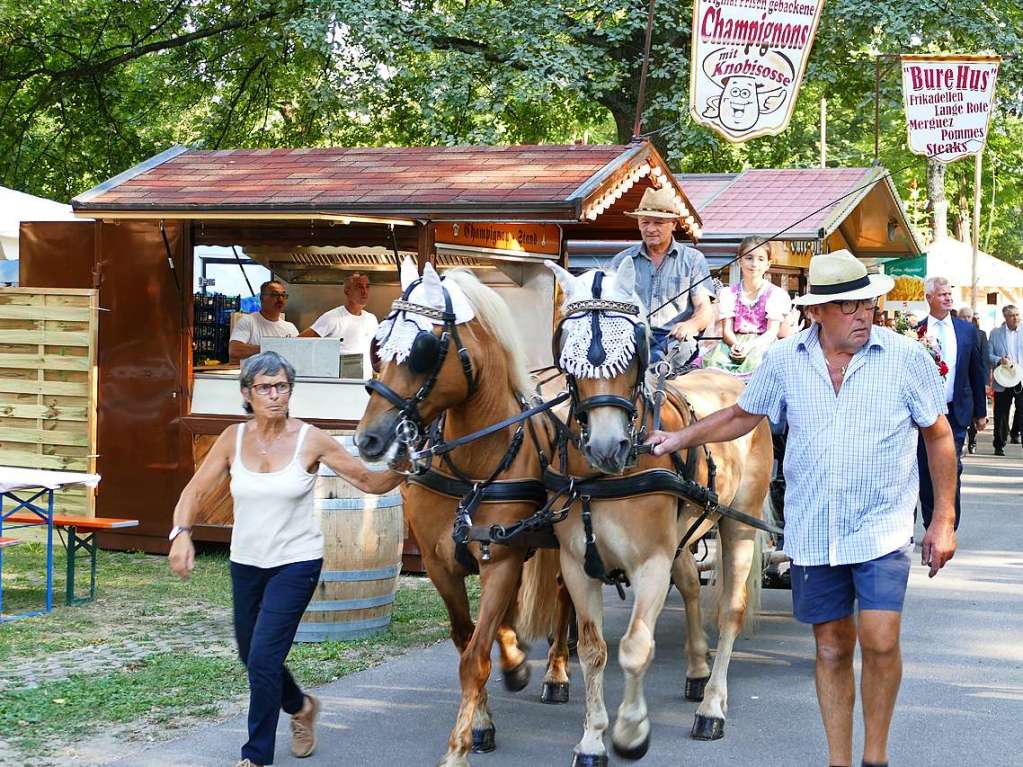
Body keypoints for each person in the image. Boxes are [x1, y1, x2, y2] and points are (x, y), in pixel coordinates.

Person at [646, 249, 957, 767]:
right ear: (817, 312)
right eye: (849, 306)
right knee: (832, 647)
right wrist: (678, 436)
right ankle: (839, 760)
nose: (864, 314)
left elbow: (939, 436)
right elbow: (742, 415)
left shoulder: (906, 359)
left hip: (880, 527)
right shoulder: (787, 359)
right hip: (815, 531)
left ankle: (874, 757)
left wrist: (942, 518)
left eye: (867, 303)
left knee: (879, 640)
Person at [168, 351, 404, 767]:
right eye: (264, 387)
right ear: (247, 393)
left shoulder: (310, 438)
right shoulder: (232, 439)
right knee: (252, 655)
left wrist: (410, 465)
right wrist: (181, 534)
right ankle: (301, 707)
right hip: (245, 562)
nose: (274, 395)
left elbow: (368, 480)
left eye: (281, 386)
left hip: (296, 562)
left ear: (290, 391)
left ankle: (255, 755)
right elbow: (194, 492)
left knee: (262, 658)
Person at [610, 184, 713, 365]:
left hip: (674, 340)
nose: (650, 229)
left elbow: (704, 310)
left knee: (665, 366)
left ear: (673, 224)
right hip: (629, 338)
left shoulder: (693, 260)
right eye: (645, 222)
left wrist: (691, 325)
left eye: (658, 222)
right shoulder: (622, 261)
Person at [915, 277, 986, 529]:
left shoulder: (967, 331)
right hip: (925, 412)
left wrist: (980, 412)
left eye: (949, 294)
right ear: (929, 298)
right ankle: (929, 521)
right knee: (925, 467)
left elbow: (976, 372)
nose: (947, 298)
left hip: (956, 410)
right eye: (942, 294)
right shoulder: (916, 331)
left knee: (951, 467)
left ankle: (948, 524)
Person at [701, 238, 791, 376]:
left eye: (761, 259)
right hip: (733, 343)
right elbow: (727, 330)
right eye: (749, 258)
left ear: (768, 264)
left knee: (764, 368)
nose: (754, 264)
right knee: (712, 369)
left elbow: (771, 332)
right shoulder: (728, 293)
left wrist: (749, 346)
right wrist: (735, 345)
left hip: (762, 344)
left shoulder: (776, 294)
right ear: (739, 260)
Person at [300, 273, 379, 376]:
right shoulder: (332, 317)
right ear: (347, 291)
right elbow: (299, 342)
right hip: (338, 383)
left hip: (365, 383)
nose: (364, 291)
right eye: (359, 287)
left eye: (367, 287)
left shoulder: (371, 319)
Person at [229, 281, 299, 362]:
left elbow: (298, 352)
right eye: (274, 295)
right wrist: (274, 348)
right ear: (262, 298)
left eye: (283, 295)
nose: (280, 299)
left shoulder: (290, 327)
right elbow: (235, 350)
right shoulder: (248, 321)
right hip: (255, 374)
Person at [989, 304, 1023, 455]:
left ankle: (1018, 438)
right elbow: (988, 355)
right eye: (1012, 315)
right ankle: (999, 444)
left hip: (1021, 378)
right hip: (1003, 379)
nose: (1015, 318)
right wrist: (998, 360)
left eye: (1017, 314)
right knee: (1001, 413)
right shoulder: (995, 333)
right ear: (1005, 317)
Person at [957, 306, 991, 454]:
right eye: (963, 317)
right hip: (961, 382)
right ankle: (962, 440)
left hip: (975, 381)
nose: (966, 320)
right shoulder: (954, 333)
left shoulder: (980, 335)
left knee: (974, 414)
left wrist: (985, 382)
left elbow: (983, 360)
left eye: (968, 317)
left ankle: (972, 439)